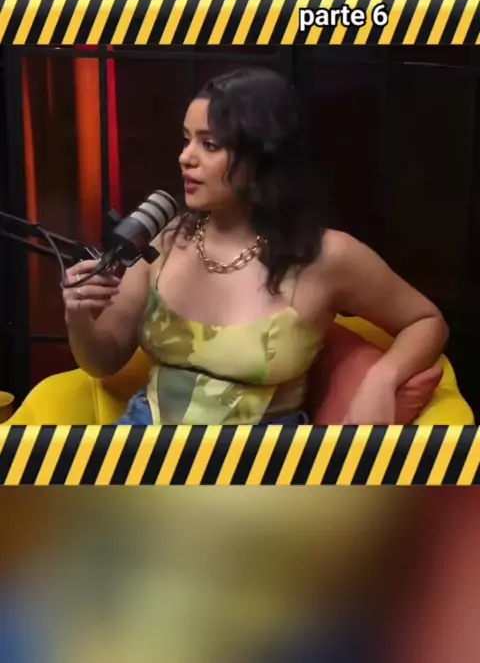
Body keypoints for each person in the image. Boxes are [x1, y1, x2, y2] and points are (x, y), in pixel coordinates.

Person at [62, 67, 448, 426]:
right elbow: (103, 361)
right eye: (186, 140)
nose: (185, 158)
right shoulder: (163, 241)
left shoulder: (328, 256)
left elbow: (426, 321)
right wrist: (79, 317)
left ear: (262, 158)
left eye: (209, 144)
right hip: (145, 441)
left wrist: (382, 378)